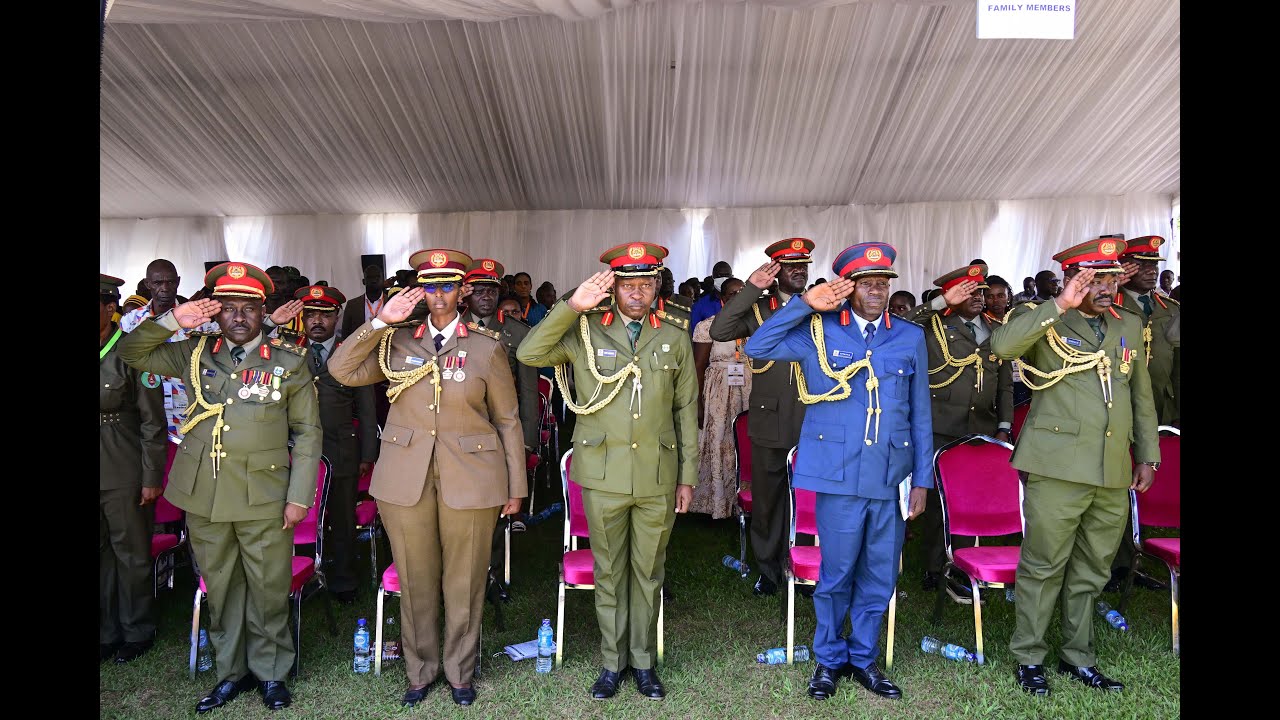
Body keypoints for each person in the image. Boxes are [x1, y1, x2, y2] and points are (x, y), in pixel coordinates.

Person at [327, 249, 526, 708]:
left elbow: (508, 419)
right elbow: (341, 370)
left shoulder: (485, 346)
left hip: (472, 476)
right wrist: (379, 322)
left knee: (465, 578)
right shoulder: (395, 341)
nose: (438, 294)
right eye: (430, 286)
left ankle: (460, 671)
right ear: (420, 290)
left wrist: (516, 486)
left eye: (448, 285)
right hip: (404, 477)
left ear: (464, 290)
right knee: (415, 579)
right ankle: (420, 672)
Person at [119, 262, 321, 713]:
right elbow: (131, 353)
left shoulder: (289, 360)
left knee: (268, 587)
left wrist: (298, 497)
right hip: (204, 494)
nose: (238, 317)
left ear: (262, 310)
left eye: (247, 307)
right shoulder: (192, 352)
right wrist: (174, 320)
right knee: (222, 588)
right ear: (216, 314)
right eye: (228, 308)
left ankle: (270, 673)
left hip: (265, 495)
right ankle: (231, 673)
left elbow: (308, 433)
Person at [744, 242, 931, 702]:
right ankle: (828, 658)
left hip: (890, 474)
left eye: (883, 283)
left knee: (881, 573)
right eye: (866, 284)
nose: (875, 291)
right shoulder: (820, 329)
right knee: (836, 573)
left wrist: (922, 479)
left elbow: (920, 410)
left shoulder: (908, 336)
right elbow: (757, 345)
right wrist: (804, 304)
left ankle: (863, 657)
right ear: (847, 288)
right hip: (839, 474)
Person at [516, 242, 697, 702]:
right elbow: (530, 353)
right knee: (610, 572)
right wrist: (569, 306)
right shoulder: (583, 330)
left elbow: (686, 410)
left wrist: (688, 477)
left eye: (646, 283)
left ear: (658, 286)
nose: (637, 293)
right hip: (602, 474)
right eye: (628, 284)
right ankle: (612, 662)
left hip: (658, 474)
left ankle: (642, 661)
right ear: (612, 287)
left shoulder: (674, 336)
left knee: (648, 572)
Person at [991, 238, 1159, 696]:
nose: (1105, 288)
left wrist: (1146, 454)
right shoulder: (1049, 320)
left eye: (1110, 278)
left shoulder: (1128, 323)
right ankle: (1029, 656)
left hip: (1110, 469)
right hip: (1057, 467)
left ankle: (1077, 657)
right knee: (1044, 565)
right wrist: (1059, 303)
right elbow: (1002, 347)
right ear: (1072, 280)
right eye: (1094, 279)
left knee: (1093, 568)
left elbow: (1139, 396)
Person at [709, 238, 813, 597]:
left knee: (810, 498)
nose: (799, 270)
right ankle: (769, 571)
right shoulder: (759, 309)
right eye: (790, 265)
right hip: (772, 416)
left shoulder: (821, 305)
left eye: (804, 264)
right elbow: (719, 331)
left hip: (815, 417)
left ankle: (805, 564)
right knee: (769, 501)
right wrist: (752, 287)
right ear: (775, 270)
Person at [906, 264, 1013, 596]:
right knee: (939, 504)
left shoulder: (996, 332)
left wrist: (1004, 426)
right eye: (971, 292)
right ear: (952, 295)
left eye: (981, 291)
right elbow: (899, 323)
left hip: (981, 429)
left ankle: (965, 566)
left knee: (972, 502)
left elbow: (1005, 386)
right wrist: (939, 303)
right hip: (942, 428)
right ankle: (935, 566)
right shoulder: (934, 327)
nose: (980, 298)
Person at [293, 284, 379, 605]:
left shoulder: (351, 351)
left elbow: (367, 410)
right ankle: (302, 572)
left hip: (341, 450)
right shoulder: (290, 351)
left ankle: (342, 580)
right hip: (298, 453)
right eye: (310, 314)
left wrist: (367, 455)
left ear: (337, 316)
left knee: (341, 518)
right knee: (298, 514)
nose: (317, 321)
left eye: (324, 315)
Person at [1106, 235, 1180, 592]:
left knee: (1151, 483)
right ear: (1125, 268)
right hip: (1120, 412)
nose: (1152, 272)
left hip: (1162, 409)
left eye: (1155, 265)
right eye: (1143, 265)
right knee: (1118, 487)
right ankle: (1119, 563)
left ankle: (1145, 555)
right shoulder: (1111, 306)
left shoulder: (1169, 308)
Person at [100, 274, 167, 664]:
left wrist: (151, 476)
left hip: (123, 464)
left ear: (110, 308)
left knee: (130, 552)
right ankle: (107, 631)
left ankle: (137, 629)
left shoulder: (131, 353)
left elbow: (152, 421)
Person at [120, 259, 218, 442]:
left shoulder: (199, 318)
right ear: (147, 283)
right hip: (144, 413)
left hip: (188, 413)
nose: (165, 288)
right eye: (158, 283)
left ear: (178, 282)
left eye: (171, 282)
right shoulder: (130, 321)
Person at [463, 259, 540, 456]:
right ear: (465, 294)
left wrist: (527, 440)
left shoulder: (519, 332)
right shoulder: (451, 327)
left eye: (492, 291)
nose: (486, 297)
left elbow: (529, 389)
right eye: (479, 292)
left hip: (502, 426)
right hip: (460, 425)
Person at [690, 277, 750, 518]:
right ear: (722, 299)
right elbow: (697, 366)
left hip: (747, 391)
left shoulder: (756, 325)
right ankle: (718, 502)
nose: (738, 297)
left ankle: (744, 501)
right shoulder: (707, 326)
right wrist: (698, 404)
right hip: (719, 394)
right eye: (732, 293)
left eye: (742, 293)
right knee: (720, 442)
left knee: (744, 443)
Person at [342, 264, 389, 340]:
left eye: (377, 277)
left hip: (387, 348)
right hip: (360, 349)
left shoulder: (391, 302)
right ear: (364, 281)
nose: (374, 280)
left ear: (383, 280)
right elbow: (345, 335)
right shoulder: (352, 305)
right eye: (370, 277)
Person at [689, 260, 734, 333]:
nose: (723, 279)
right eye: (719, 276)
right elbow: (694, 333)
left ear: (732, 277)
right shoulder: (700, 305)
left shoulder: (739, 302)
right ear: (712, 277)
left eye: (726, 275)